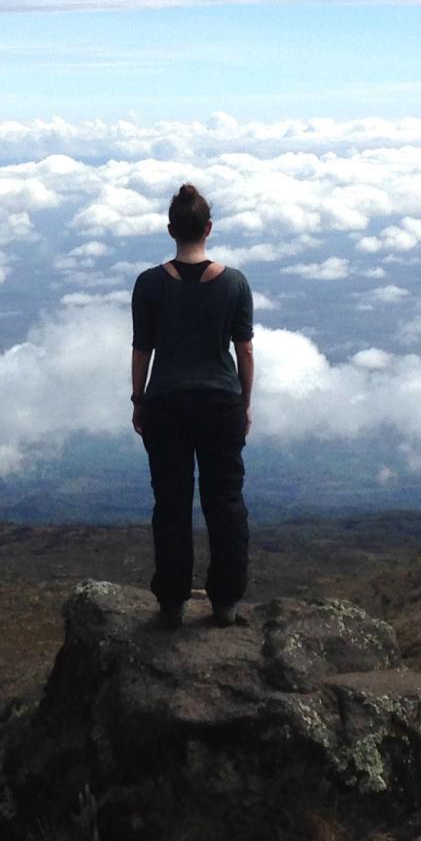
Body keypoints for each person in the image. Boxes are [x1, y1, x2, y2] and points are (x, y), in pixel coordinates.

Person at [130, 183, 255, 627]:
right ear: (209, 227)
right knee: (225, 501)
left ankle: (171, 602)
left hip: (166, 403)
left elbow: (142, 349)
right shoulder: (235, 284)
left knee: (171, 502)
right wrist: (244, 404)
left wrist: (138, 400)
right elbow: (244, 352)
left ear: (170, 230)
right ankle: (225, 602)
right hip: (221, 403)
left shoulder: (148, 284)